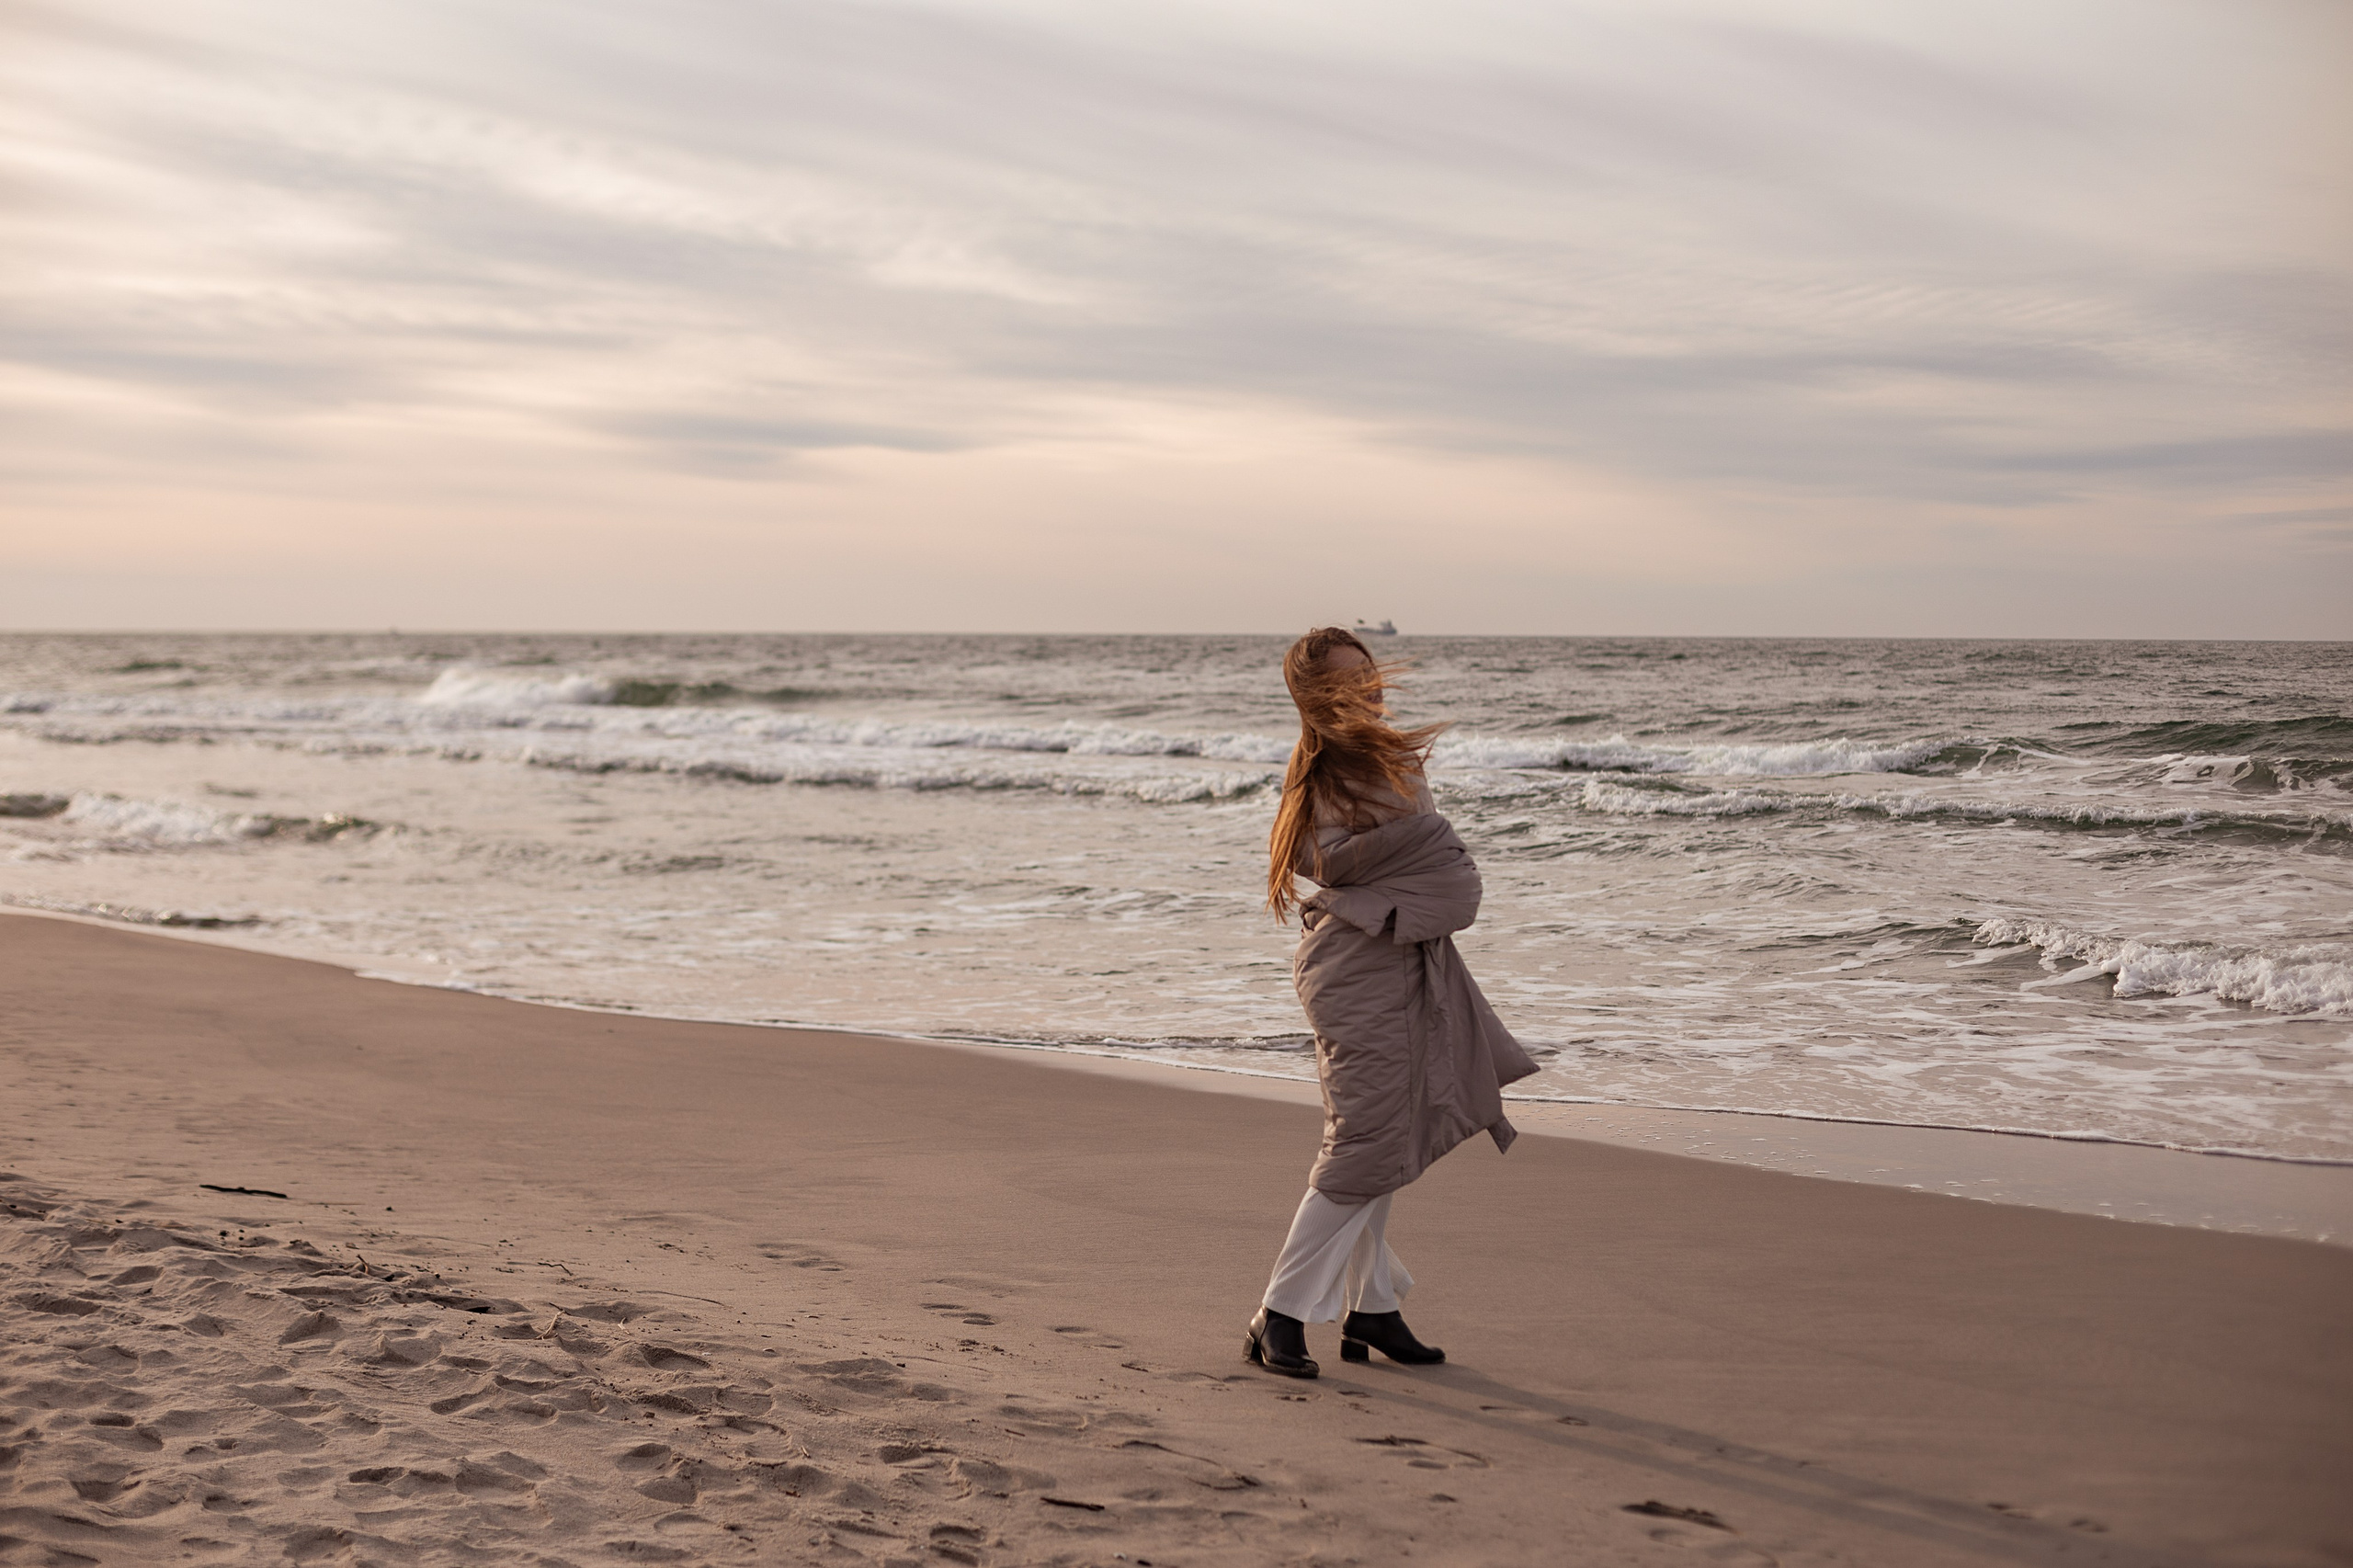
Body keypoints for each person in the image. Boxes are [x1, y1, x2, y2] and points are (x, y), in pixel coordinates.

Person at [1245, 627, 1539, 1379]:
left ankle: (1372, 1308)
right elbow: (1394, 862)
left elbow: (1417, 867)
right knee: (1363, 1147)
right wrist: (1422, 867)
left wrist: (1419, 872)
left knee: (1386, 1136)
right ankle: (1277, 1315)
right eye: (1346, 682)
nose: (1366, 690)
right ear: (1315, 698)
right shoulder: (1327, 774)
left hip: (1396, 959)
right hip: (1358, 969)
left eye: (1368, 675)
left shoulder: (1373, 760)